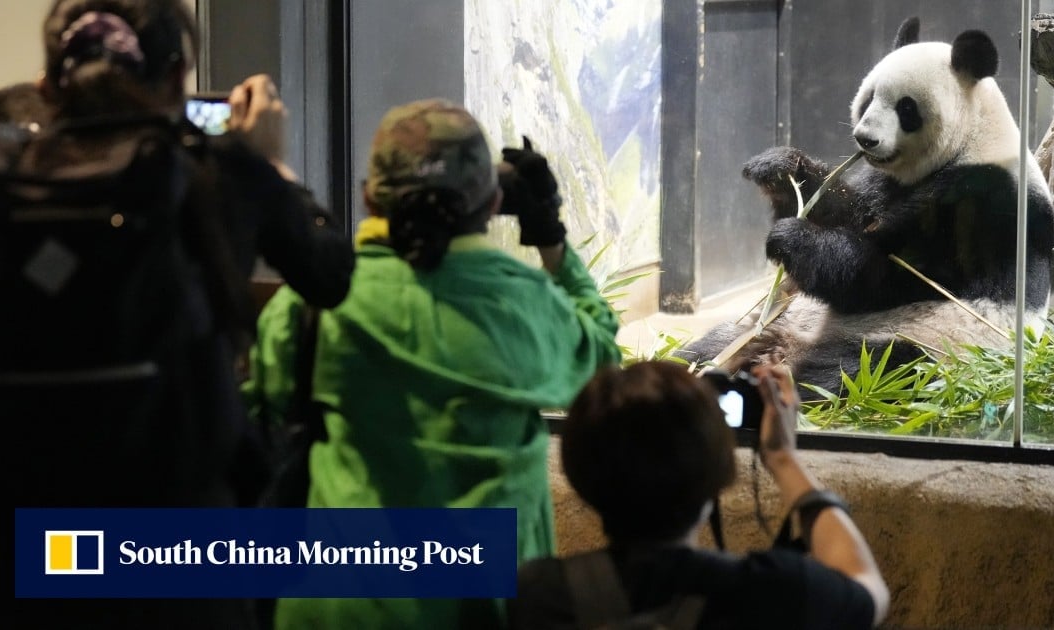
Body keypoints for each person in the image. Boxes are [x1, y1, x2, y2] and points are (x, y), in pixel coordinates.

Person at [0, 0, 353, 626]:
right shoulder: (215, 173)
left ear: (48, 86)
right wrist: (272, 165)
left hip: (19, 546)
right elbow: (331, 276)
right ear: (180, 74)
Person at [244, 98, 622, 629]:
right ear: (493, 203)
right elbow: (602, 361)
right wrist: (551, 238)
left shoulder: (311, 305)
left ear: (369, 198)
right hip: (482, 610)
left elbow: (264, 405)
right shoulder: (526, 305)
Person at [510, 361, 891, 629]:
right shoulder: (772, 593)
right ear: (721, 474)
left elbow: (454, 557)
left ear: (578, 476)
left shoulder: (535, 593)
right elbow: (869, 587)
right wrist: (783, 459)